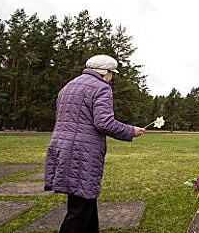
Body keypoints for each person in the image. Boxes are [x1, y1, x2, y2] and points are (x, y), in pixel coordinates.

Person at [44, 54, 145, 233]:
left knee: (85, 199)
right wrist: (131, 131)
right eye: (112, 73)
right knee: (79, 209)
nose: (111, 77)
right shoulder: (101, 88)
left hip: (62, 147)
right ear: (106, 72)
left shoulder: (69, 86)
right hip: (81, 152)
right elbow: (103, 123)